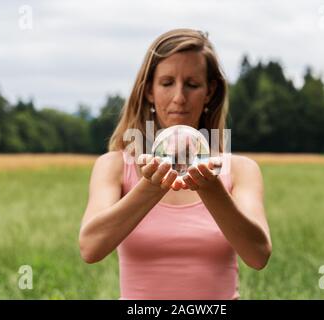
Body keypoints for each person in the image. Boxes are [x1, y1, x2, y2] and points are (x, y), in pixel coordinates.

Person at [79, 28, 272, 300]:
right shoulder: (114, 166)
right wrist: (151, 187)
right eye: (167, 83)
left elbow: (258, 254)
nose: (179, 97)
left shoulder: (240, 170)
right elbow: (90, 248)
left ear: (209, 91)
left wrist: (211, 189)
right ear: (148, 91)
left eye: (192, 84)